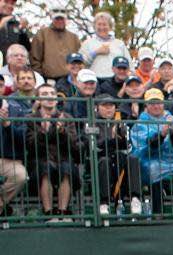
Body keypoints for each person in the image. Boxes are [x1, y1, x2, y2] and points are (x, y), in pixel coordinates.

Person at [130, 88, 173, 215]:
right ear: (146, 105)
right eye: (152, 103)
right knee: (154, 168)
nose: (156, 106)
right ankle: (158, 212)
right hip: (152, 159)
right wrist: (161, 135)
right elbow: (145, 147)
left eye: (158, 103)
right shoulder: (141, 123)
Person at [26, 82, 81, 219]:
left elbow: (74, 145)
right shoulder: (31, 119)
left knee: (66, 167)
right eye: (44, 94)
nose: (49, 97)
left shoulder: (67, 118)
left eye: (52, 94)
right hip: (40, 159)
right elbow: (31, 146)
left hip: (63, 157)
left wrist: (62, 132)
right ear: (38, 99)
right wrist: (43, 132)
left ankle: (63, 211)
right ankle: (48, 212)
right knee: (45, 167)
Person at [90, 94, 143, 215]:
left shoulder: (121, 123)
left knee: (133, 159)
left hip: (119, 159)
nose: (109, 108)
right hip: (101, 160)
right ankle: (104, 202)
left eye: (111, 105)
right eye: (105, 106)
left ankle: (135, 199)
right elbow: (95, 148)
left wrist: (121, 138)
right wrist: (113, 140)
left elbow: (128, 148)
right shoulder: (92, 123)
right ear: (97, 108)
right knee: (104, 161)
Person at [30, 7, 79, 82]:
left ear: (66, 20)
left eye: (62, 19)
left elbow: (78, 60)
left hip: (70, 79)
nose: (60, 21)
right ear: (52, 19)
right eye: (57, 19)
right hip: (49, 79)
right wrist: (40, 77)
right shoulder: (42, 34)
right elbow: (35, 58)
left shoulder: (74, 37)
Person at [0, 90, 27, 216]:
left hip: (10, 160)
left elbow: (23, 138)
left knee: (20, 175)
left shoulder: (17, 109)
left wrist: (8, 125)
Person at [80, 11, 129, 79]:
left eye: (105, 24)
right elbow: (81, 63)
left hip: (115, 81)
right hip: (93, 81)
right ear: (94, 26)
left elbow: (129, 65)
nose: (102, 27)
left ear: (110, 27)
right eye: (99, 24)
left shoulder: (119, 44)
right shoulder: (87, 43)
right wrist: (96, 52)